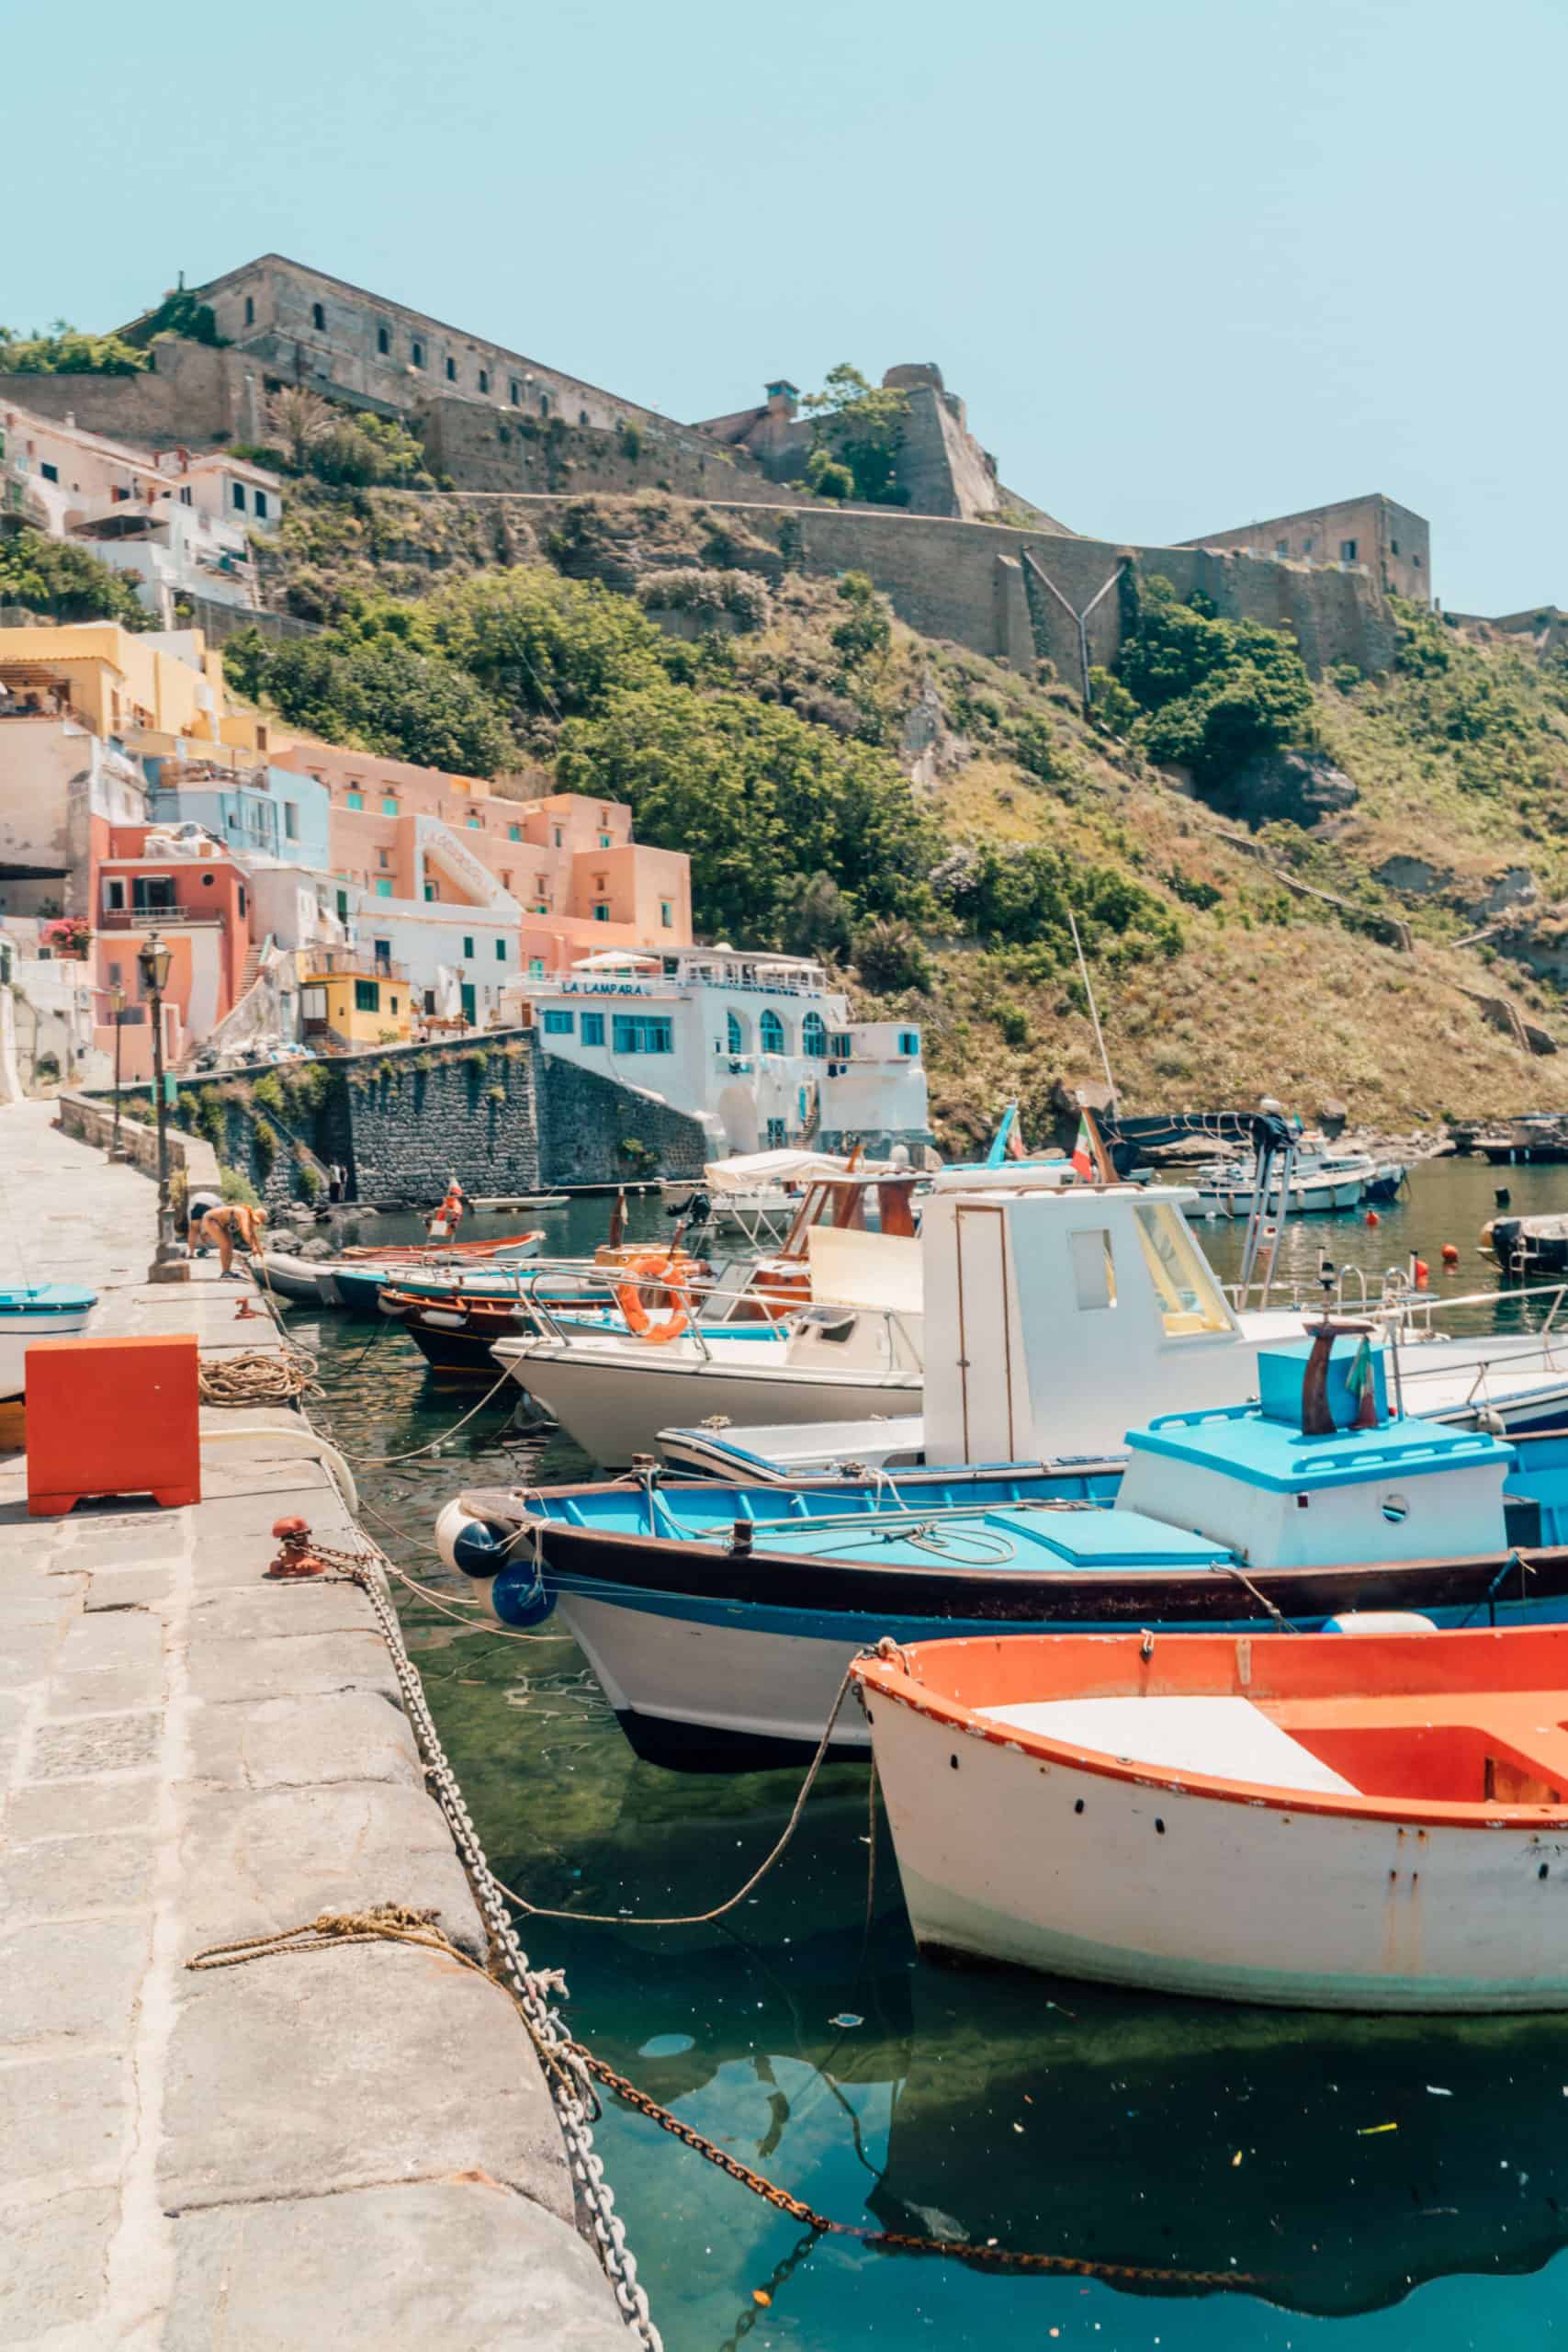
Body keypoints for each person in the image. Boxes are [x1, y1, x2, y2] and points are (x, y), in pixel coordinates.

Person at [191, 1201, 267, 1278]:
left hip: (221, 1223)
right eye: (256, 1222)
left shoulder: (249, 1218)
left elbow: (253, 1236)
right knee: (225, 1245)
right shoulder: (243, 1213)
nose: (256, 1224)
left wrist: (260, 1249)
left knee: (230, 1244)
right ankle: (225, 1273)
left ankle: (227, 1271)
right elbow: (245, 1233)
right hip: (211, 1219)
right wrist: (253, 1247)